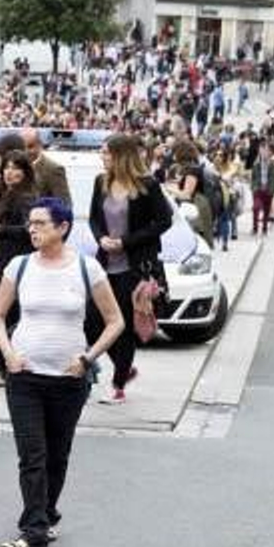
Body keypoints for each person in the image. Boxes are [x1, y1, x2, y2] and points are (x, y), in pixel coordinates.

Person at [0, 198, 124, 547]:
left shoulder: (86, 268)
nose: (32, 229)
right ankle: (33, 531)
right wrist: (8, 354)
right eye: (30, 223)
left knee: (56, 456)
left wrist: (88, 358)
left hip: (68, 380)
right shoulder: (19, 266)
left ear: (62, 228)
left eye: (41, 223)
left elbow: (116, 321)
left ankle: (44, 515)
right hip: (25, 378)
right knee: (32, 455)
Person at [88, 133, 172, 405]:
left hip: (133, 267)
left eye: (106, 153)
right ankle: (124, 368)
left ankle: (118, 384)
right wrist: (100, 237)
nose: (102, 157)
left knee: (122, 326)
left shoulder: (147, 185)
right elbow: (93, 218)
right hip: (105, 264)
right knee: (92, 322)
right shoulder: (101, 182)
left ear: (121, 156)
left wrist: (125, 242)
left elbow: (163, 221)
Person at [0, 152, 38, 387]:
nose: (9, 172)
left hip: (17, 260)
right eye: (6, 168)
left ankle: (6, 368)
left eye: (15, 168)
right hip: (6, 259)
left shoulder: (27, 197)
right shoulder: (10, 193)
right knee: (4, 313)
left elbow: (26, 230)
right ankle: (0, 365)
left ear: (25, 171)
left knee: (10, 314)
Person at [249, 144, 274, 236]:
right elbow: (253, 177)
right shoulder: (256, 165)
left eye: (266, 152)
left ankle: (264, 229)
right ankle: (255, 228)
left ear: (270, 153)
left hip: (268, 191)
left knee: (266, 211)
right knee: (256, 208)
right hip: (258, 190)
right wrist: (253, 187)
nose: (264, 154)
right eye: (262, 152)